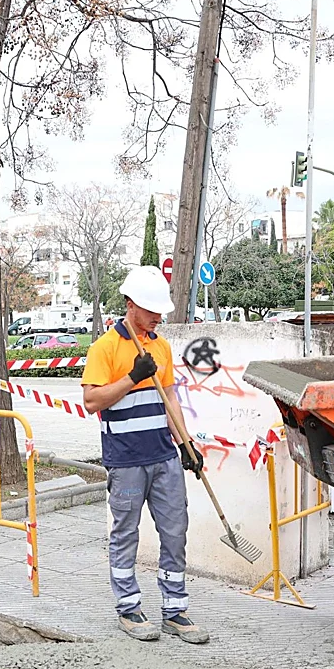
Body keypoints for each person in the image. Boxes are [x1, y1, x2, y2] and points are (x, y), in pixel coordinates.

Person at [80, 265, 209, 645]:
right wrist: (132, 377)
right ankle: (128, 608)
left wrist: (186, 444)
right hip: (126, 462)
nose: (158, 317)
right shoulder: (104, 348)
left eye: (160, 311)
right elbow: (92, 401)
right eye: (152, 310)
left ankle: (175, 610)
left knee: (175, 532)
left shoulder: (161, 346)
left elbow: (170, 398)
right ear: (130, 304)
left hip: (164, 457)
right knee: (125, 535)